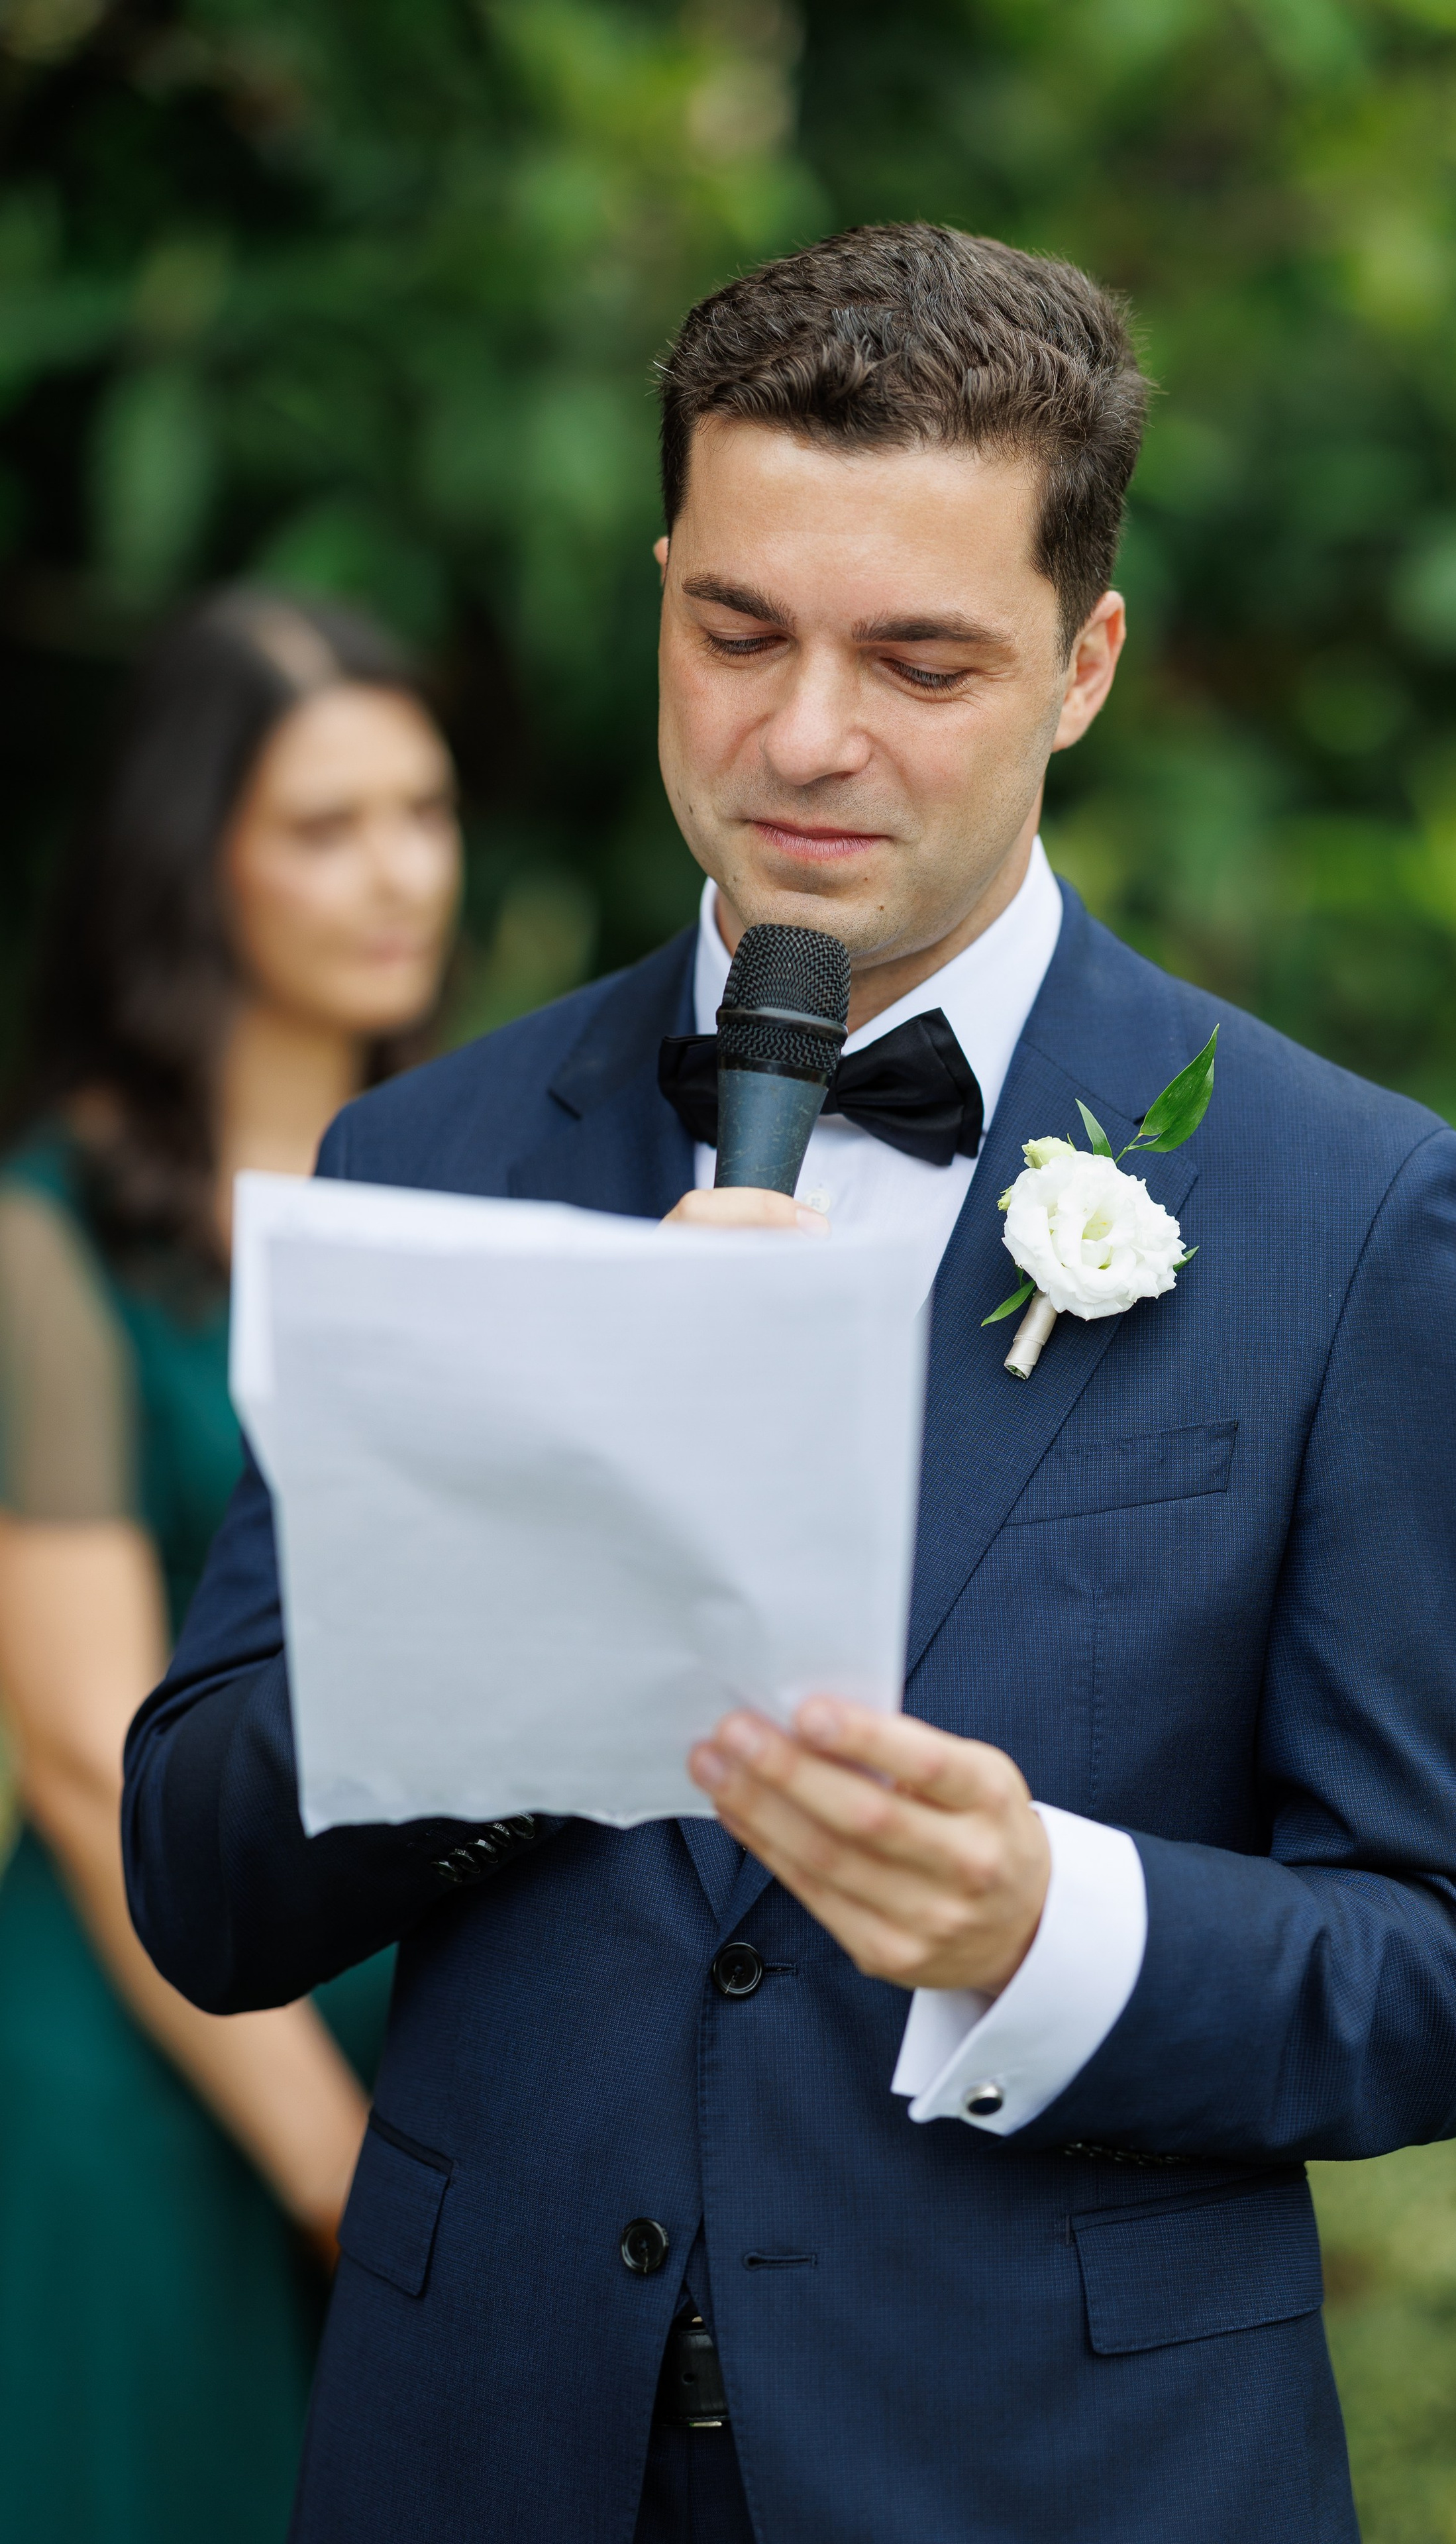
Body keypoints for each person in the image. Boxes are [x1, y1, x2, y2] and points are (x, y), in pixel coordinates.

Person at [122, 229, 1456, 2544]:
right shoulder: (430, 1151)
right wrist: (557, 1550)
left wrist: (1046, 1925)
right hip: (482, 2455)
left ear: (1084, 666)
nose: (804, 736)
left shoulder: (1346, 1211)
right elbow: (202, 1882)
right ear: (661, 592)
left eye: (918, 660)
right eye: (738, 633)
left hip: (1062, 2483)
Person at [0, 588, 462, 2542]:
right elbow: (85, 1759)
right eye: (325, 827)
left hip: (430, 2034)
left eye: (422, 812)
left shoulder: (483, 1182)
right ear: (193, 861)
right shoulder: (52, 1241)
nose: (400, 874)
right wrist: (331, 2165)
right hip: (157, 2070)